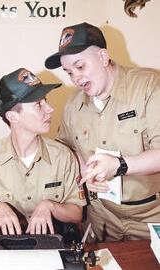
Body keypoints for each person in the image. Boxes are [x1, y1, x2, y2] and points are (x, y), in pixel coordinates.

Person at [45, 22, 160, 242]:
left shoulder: (149, 87)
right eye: (69, 72)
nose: (76, 79)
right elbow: (67, 147)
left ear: (103, 57)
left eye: (80, 67)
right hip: (100, 217)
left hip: (149, 216)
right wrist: (84, 171)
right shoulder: (72, 106)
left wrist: (119, 165)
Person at [0, 67, 86, 242]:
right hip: (4, 246)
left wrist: (51, 206)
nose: (50, 109)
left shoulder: (62, 156)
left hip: (50, 243)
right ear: (13, 117)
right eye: (39, 104)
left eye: (46, 101)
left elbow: (76, 214)